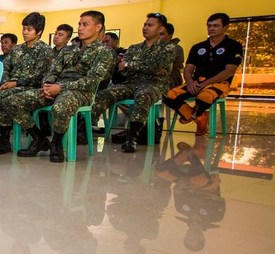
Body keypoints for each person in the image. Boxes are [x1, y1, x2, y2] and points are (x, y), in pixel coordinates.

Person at [0, 11, 113, 162]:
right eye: (79, 24)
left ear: (98, 27)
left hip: (79, 92)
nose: (80, 28)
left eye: (85, 25)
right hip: (54, 89)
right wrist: (47, 86)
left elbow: (91, 80)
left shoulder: (103, 52)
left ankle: (56, 143)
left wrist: (60, 87)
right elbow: (52, 72)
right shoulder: (68, 50)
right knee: (10, 101)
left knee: (60, 106)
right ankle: (38, 138)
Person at [89, 13, 175, 152]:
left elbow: (155, 66)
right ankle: (84, 129)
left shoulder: (168, 48)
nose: (145, 28)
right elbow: (123, 70)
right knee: (104, 94)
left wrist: (130, 65)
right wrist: (143, 67)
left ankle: (132, 137)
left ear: (161, 29)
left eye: (150, 25)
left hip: (154, 84)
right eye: (145, 25)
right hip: (131, 83)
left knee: (143, 95)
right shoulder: (134, 47)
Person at [163, 13, 242, 134]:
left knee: (204, 97)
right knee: (167, 95)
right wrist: (189, 82)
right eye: (209, 26)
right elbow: (188, 68)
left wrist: (206, 83)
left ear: (225, 28)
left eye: (216, 26)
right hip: (196, 82)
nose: (211, 29)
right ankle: (197, 116)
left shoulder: (233, 46)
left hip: (219, 83)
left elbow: (229, 71)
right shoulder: (198, 47)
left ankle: (195, 115)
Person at [0, 12, 53, 154]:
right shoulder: (17, 49)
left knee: (7, 100)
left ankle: (38, 136)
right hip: (14, 86)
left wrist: (16, 83)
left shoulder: (44, 50)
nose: (25, 32)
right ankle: (4, 139)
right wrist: (6, 82)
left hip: (34, 88)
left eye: (29, 29)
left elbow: (39, 75)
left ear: (38, 32)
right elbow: (5, 67)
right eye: (24, 29)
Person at [161, 22, 186, 88]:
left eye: (161, 34)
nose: (158, 37)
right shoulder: (146, 49)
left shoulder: (177, 49)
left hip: (170, 85)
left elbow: (163, 63)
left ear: (170, 36)